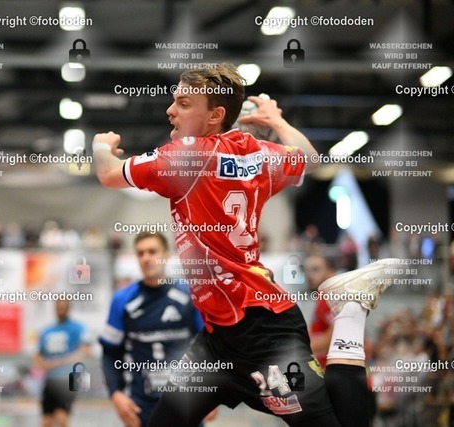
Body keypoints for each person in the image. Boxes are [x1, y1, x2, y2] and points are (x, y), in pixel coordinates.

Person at [92, 63, 401, 426]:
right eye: (174, 100)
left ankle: (350, 313)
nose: (170, 110)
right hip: (216, 340)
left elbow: (108, 172)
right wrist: (277, 121)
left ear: (216, 115)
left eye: (184, 103)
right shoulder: (255, 151)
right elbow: (311, 160)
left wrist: (101, 145)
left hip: (262, 332)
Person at [100, 232, 211, 427]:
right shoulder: (122, 300)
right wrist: (115, 394)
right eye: (140, 253)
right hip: (141, 410)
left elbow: (210, 346)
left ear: (166, 255)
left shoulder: (190, 295)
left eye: (152, 252)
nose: (146, 258)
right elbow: (110, 352)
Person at [34, 299, 91, 427]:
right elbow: (37, 357)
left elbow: (85, 351)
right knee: (46, 421)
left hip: (68, 379)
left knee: (62, 417)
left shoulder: (78, 328)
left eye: (64, 307)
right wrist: (46, 364)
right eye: (59, 307)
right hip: (50, 379)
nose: (61, 310)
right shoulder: (47, 330)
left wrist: (60, 362)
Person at [304, 254, 337, 369]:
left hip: (331, 368)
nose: (309, 275)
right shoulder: (322, 296)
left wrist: (301, 350)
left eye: (315, 269)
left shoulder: (329, 296)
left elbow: (338, 333)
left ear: (330, 272)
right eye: (306, 270)